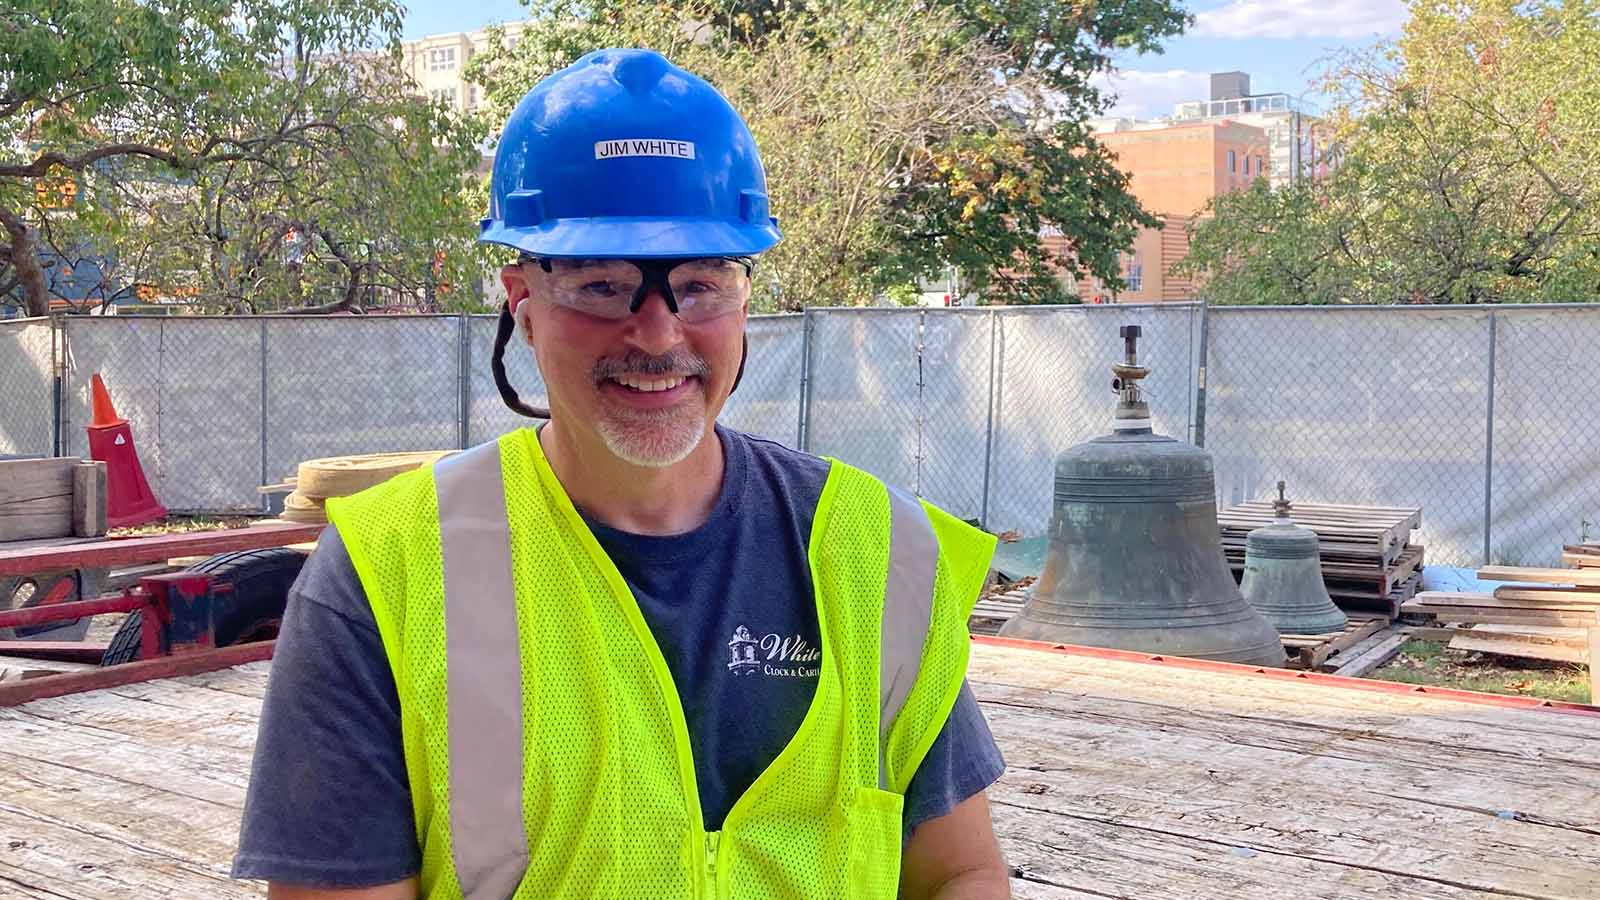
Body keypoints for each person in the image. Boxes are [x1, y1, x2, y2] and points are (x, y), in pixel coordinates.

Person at [232, 48, 1010, 900]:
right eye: (602, 285)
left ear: (744, 298)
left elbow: (959, 872)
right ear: (523, 305)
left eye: (699, 284)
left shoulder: (876, 552)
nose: (658, 335)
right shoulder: (389, 575)